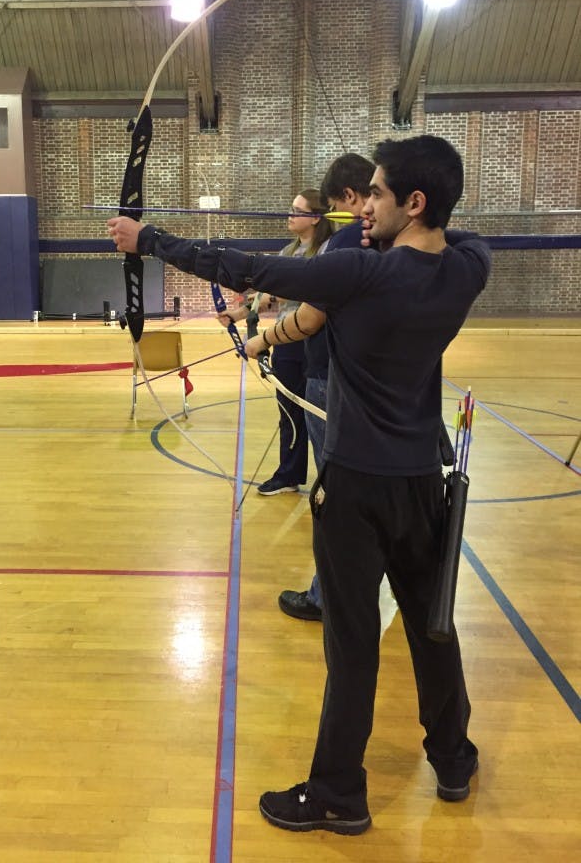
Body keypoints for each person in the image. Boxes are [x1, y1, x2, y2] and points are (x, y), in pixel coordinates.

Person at [108, 134, 490, 836]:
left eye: (377, 195)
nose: (363, 208)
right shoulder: (468, 268)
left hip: (355, 488)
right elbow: (456, 236)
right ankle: (454, 758)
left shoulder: (358, 273)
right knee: (430, 628)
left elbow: (243, 266)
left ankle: (338, 792)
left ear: (413, 202)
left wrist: (147, 239)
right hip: (420, 487)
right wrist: (403, 227)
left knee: (352, 644)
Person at [277, 153, 374, 621]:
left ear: (348, 198)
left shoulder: (343, 244)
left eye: (334, 206)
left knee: (332, 490)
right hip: (366, 377)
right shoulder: (391, 241)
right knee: (369, 486)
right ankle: (391, 587)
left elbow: (310, 317)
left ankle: (325, 596)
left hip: (328, 377)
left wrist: (262, 340)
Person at [217, 188, 333, 495]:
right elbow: (269, 294)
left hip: (315, 340)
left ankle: (331, 482)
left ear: (316, 218)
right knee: (289, 412)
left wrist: (282, 291)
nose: (290, 215)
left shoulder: (328, 250)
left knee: (320, 415)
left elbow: (301, 291)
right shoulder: (287, 253)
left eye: (297, 211)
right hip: (286, 339)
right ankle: (289, 475)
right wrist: (239, 314)